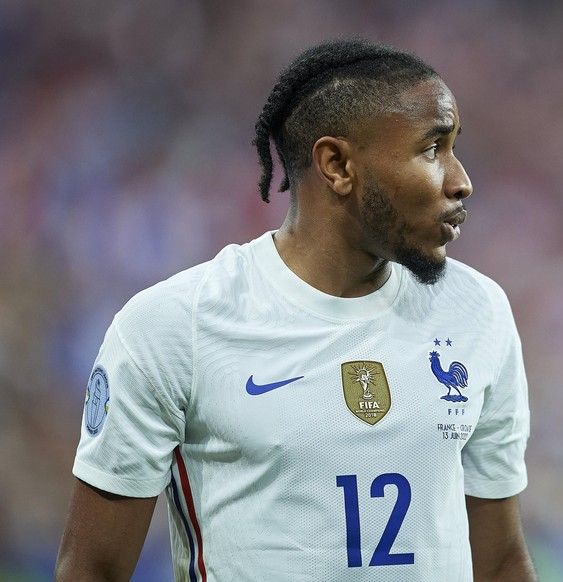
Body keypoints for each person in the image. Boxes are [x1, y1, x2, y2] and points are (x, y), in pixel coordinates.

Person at [55, 37, 536, 581]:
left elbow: (499, 563)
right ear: (336, 165)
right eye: (432, 148)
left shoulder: (478, 312)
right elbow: (92, 569)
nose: (461, 180)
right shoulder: (174, 327)